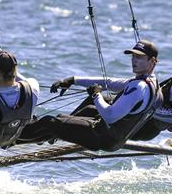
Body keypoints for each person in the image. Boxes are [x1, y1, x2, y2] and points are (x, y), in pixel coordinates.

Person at [19, 40, 161, 151]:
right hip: (112, 138)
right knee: (62, 119)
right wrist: (73, 80)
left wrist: (96, 95)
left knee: (49, 122)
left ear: (153, 61)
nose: (134, 60)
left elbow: (110, 116)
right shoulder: (151, 83)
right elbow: (109, 82)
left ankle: (13, 139)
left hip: (101, 137)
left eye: (140, 57)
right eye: (133, 56)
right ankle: (41, 136)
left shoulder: (138, 87)